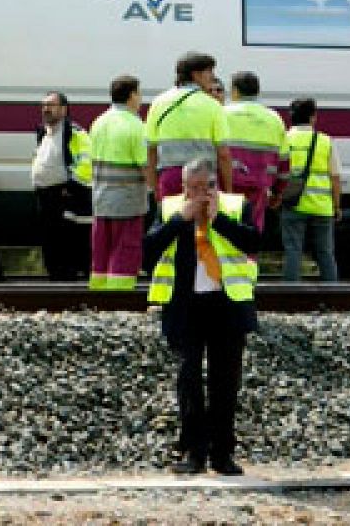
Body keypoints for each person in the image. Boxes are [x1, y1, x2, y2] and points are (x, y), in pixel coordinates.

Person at [144, 158, 260, 477]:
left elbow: (254, 242)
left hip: (227, 306)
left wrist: (217, 219)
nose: (194, 195)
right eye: (189, 188)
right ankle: (194, 453)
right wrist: (179, 220)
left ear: (214, 185)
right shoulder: (170, 209)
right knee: (189, 379)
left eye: (201, 188)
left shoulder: (236, 206)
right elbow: (147, 251)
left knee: (225, 383)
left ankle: (222, 455)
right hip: (186, 307)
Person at [88, 75, 150, 290]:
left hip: (100, 198)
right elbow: (145, 164)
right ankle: (119, 293)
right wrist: (156, 188)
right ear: (132, 95)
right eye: (139, 94)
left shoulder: (99, 122)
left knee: (101, 248)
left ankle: (99, 290)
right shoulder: (135, 125)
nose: (140, 99)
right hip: (127, 200)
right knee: (125, 248)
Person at [145, 52, 232, 201]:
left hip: (169, 178)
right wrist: (228, 191)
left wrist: (153, 188)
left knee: (173, 222)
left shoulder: (159, 102)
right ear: (196, 75)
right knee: (202, 224)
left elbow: (151, 151)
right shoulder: (212, 105)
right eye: (209, 71)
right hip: (203, 180)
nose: (212, 76)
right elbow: (223, 154)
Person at [32, 91, 92, 281]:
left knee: (66, 240)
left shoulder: (75, 133)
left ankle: (67, 279)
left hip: (64, 195)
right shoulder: (43, 132)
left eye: (51, 105)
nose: (46, 109)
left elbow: (87, 163)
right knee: (49, 240)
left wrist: (72, 187)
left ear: (64, 109)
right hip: (45, 195)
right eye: (44, 105)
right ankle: (55, 277)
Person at [280, 97, 341, 282]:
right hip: (322, 207)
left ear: (290, 117)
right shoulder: (325, 141)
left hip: (293, 204)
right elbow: (335, 178)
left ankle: (290, 295)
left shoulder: (284, 140)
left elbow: (277, 172)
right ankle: (332, 295)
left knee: (293, 251)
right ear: (313, 117)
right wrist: (336, 206)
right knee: (325, 253)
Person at [222, 71, 289, 235]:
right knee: (251, 232)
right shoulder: (274, 118)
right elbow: (285, 161)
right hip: (259, 185)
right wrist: (278, 192)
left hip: (227, 183)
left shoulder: (222, 113)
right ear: (257, 92)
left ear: (235, 91)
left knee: (224, 232)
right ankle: (248, 260)